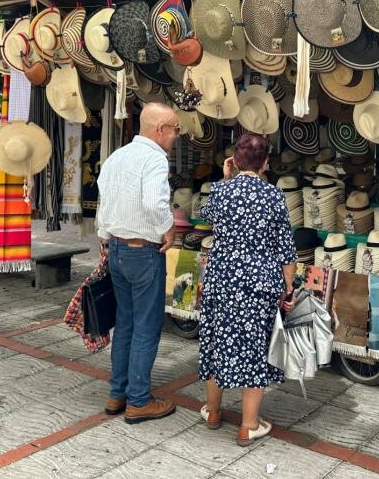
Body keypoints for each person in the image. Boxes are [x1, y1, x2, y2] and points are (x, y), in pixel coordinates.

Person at [196, 133, 296, 447]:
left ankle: (213, 411)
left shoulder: (219, 191)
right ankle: (248, 425)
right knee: (255, 349)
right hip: (259, 282)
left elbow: (206, 216)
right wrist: (288, 287)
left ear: (235, 161)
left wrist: (226, 178)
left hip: (221, 280)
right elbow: (286, 251)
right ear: (266, 162)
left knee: (217, 341)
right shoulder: (274, 196)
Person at [96, 102, 179, 423]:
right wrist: (168, 229)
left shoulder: (117, 157)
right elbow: (154, 202)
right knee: (146, 326)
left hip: (117, 248)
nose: (176, 136)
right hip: (144, 252)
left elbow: (105, 202)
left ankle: (118, 394)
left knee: (126, 324)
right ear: (160, 130)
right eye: (174, 129)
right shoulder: (155, 158)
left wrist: (105, 235)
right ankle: (139, 401)